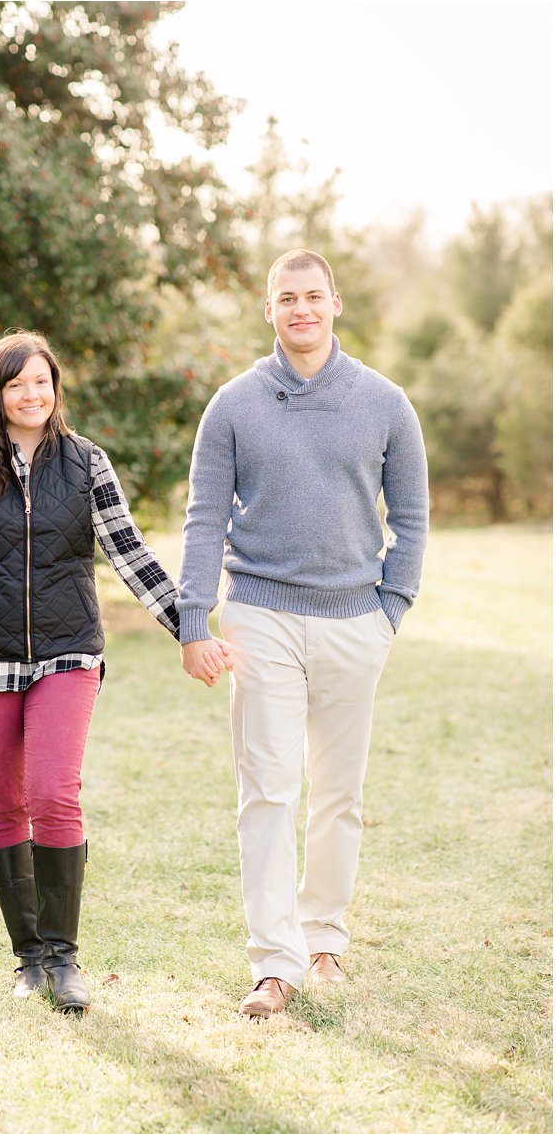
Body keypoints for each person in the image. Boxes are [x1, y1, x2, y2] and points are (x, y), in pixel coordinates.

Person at [0, 329, 231, 1014]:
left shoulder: (85, 462)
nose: (33, 394)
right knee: (2, 802)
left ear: (55, 387)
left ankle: (64, 958)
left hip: (68, 653)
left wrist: (192, 625)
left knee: (52, 791)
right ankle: (28, 958)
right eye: (17, 383)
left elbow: (130, 553)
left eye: (42, 381)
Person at [177, 249, 429, 1021]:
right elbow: (203, 518)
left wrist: (391, 608)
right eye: (286, 298)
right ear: (269, 310)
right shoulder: (233, 405)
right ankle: (275, 964)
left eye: (312, 296)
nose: (301, 309)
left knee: (339, 794)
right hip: (261, 615)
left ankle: (325, 942)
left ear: (336, 303)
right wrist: (194, 619)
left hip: (356, 620)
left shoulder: (386, 403)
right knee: (267, 790)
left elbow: (411, 519)